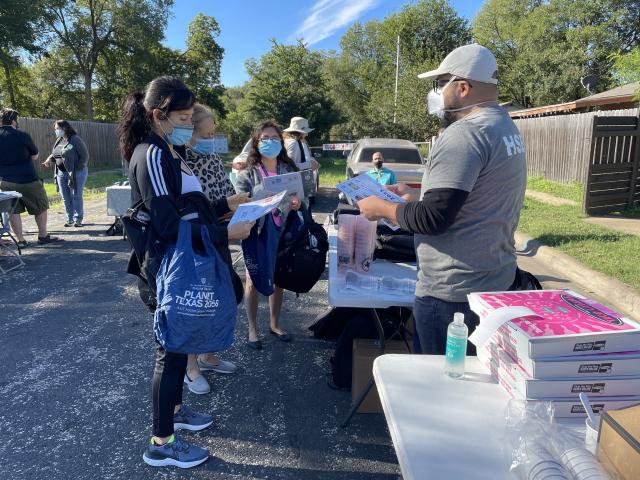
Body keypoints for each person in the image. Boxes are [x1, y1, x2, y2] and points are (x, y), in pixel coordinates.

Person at [355, 44, 527, 355]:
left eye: (440, 83)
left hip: (452, 293)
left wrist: (381, 208)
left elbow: (433, 219)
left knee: (442, 389)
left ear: (463, 87)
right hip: (494, 279)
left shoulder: (465, 133)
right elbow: (473, 197)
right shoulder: (503, 126)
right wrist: (417, 196)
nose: (436, 92)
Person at [118, 76, 253, 469]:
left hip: (183, 262)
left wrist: (225, 203)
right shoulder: (153, 154)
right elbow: (166, 223)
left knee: (179, 349)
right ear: (159, 115)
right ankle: (161, 443)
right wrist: (224, 231)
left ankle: (175, 411)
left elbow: (187, 207)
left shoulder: (168, 150)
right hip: (169, 267)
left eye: (193, 116)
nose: (190, 124)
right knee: (170, 352)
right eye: (184, 116)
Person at [179, 103, 247, 395]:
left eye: (213, 132)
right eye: (207, 133)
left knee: (218, 300)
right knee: (196, 305)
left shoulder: (214, 158)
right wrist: (227, 217)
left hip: (220, 240)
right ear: (191, 133)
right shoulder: (182, 162)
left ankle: (207, 356)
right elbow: (196, 211)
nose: (212, 137)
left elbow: (226, 197)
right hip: (199, 243)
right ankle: (190, 367)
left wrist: (245, 206)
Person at [235, 121, 301, 350]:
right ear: (256, 142)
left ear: (281, 143)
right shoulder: (247, 173)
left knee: (278, 279)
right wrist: (259, 201)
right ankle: (252, 328)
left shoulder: (288, 169)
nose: (270, 142)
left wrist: (297, 203)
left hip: (283, 233)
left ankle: (274, 323)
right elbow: (239, 203)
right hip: (257, 234)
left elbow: (300, 198)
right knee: (253, 280)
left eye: (274, 138)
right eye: (265, 138)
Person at [0, 108, 59, 246]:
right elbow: (35, 156)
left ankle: (20, 240)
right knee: (40, 205)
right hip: (28, 179)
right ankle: (43, 236)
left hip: (6, 180)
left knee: (13, 210)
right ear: (14, 121)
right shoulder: (23, 136)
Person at [43, 120, 89, 227]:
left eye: (58, 129)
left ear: (65, 128)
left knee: (75, 195)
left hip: (76, 173)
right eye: (55, 129)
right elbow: (55, 153)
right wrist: (49, 159)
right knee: (65, 196)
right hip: (61, 173)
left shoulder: (75, 140)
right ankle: (70, 219)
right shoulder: (59, 140)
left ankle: (78, 219)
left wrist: (76, 169)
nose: (56, 131)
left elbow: (85, 156)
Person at [283, 116, 319, 203]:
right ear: (299, 132)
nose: (307, 134)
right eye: (305, 132)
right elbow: (291, 166)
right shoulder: (293, 143)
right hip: (295, 183)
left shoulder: (292, 141)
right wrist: (310, 165)